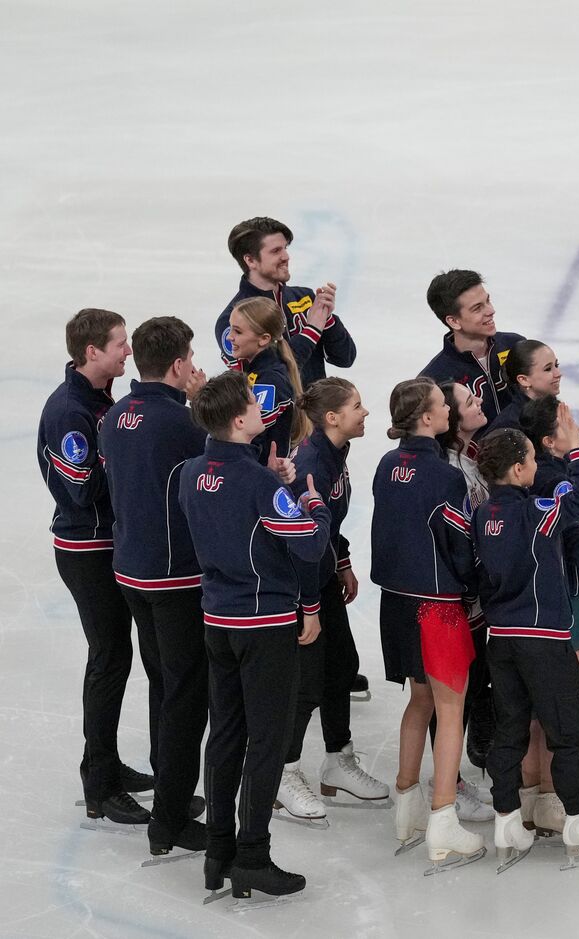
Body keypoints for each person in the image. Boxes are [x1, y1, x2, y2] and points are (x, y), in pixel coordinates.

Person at [179, 371, 330, 902]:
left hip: (216, 619)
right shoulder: (259, 483)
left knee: (224, 734)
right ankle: (252, 857)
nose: (260, 406)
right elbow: (309, 546)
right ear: (240, 419)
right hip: (263, 624)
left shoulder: (192, 473)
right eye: (252, 403)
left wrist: (267, 480)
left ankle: (218, 852)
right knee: (266, 740)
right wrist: (308, 501)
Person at [468, 426, 579, 870]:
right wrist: (575, 449)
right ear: (518, 470)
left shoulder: (482, 514)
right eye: (533, 459)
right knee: (567, 733)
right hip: (545, 639)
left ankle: (507, 820)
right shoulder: (537, 510)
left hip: (502, 639)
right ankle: (577, 821)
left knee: (509, 730)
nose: (536, 466)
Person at [38, 308, 158, 827]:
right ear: (92, 352)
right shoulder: (70, 412)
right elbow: (81, 489)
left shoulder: (98, 400)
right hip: (87, 549)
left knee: (115, 656)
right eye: (119, 344)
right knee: (108, 658)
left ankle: (104, 763)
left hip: (106, 544)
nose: (127, 351)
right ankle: (100, 783)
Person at [99, 316, 210, 856]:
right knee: (187, 694)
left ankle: (169, 787)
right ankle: (169, 818)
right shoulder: (181, 425)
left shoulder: (116, 415)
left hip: (130, 571)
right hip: (173, 577)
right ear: (178, 365)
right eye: (189, 358)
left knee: (164, 682)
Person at [370, 379, 485, 869]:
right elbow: (458, 544)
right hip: (436, 607)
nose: (447, 412)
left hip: (394, 603)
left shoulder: (385, 464)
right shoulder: (444, 476)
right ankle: (442, 819)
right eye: (441, 406)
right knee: (450, 708)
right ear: (425, 417)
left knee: (419, 702)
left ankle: (406, 805)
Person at [275, 378, 390, 824]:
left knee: (341, 666)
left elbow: (329, 527)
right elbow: (301, 540)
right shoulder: (311, 463)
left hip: (322, 576)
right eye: (357, 406)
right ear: (332, 417)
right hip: (302, 585)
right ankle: (282, 774)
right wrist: (308, 606)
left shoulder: (334, 453)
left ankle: (337, 761)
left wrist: (341, 561)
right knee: (307, 682)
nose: (364, 413)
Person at [517, 393, 579, 832]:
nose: (576, 431)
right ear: (548, 441)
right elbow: (574, 534)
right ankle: (553, 797)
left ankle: (531, 795)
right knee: (562, 707)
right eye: (568, 426)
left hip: (532, 604)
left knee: (537, 711)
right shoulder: (557, 477)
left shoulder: (542, 471)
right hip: (564, 603)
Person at [431, 380, 494, 820]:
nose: (480, 403)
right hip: (458, 596)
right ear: (452, 421)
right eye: (470, 402)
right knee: (452, 695)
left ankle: (453, 774)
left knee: (470, 689)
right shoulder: (451, 471)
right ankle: (445, 785)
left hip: (475, 595)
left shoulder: (470, 459)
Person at [216, 216, 356, 383]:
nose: (286, 256)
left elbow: (345, 358)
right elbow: (264, 379)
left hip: (317, 408)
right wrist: (311, 329)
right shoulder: (232, 321)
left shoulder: (305, 298)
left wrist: (328, 320)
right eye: (276, 251)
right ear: (250, 260)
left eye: (285, 248)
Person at [419, 269, 525, 427]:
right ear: (454, 321)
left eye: (488, 301)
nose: (491, 311)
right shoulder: (434, 380)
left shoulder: (515, 345)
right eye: (477, 308)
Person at [224, 296, 309, 465]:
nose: (229, 337)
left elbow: (250, 436)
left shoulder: (269, 381)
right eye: (231, 329)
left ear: (263, 339)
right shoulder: (256, 368)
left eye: (238, 332)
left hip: (260, 478)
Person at [491, 339, 563, 431]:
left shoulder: (552, 407)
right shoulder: (510, 425)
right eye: (548, 369)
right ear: (524, 380)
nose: (558, 374)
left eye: (556, 365)